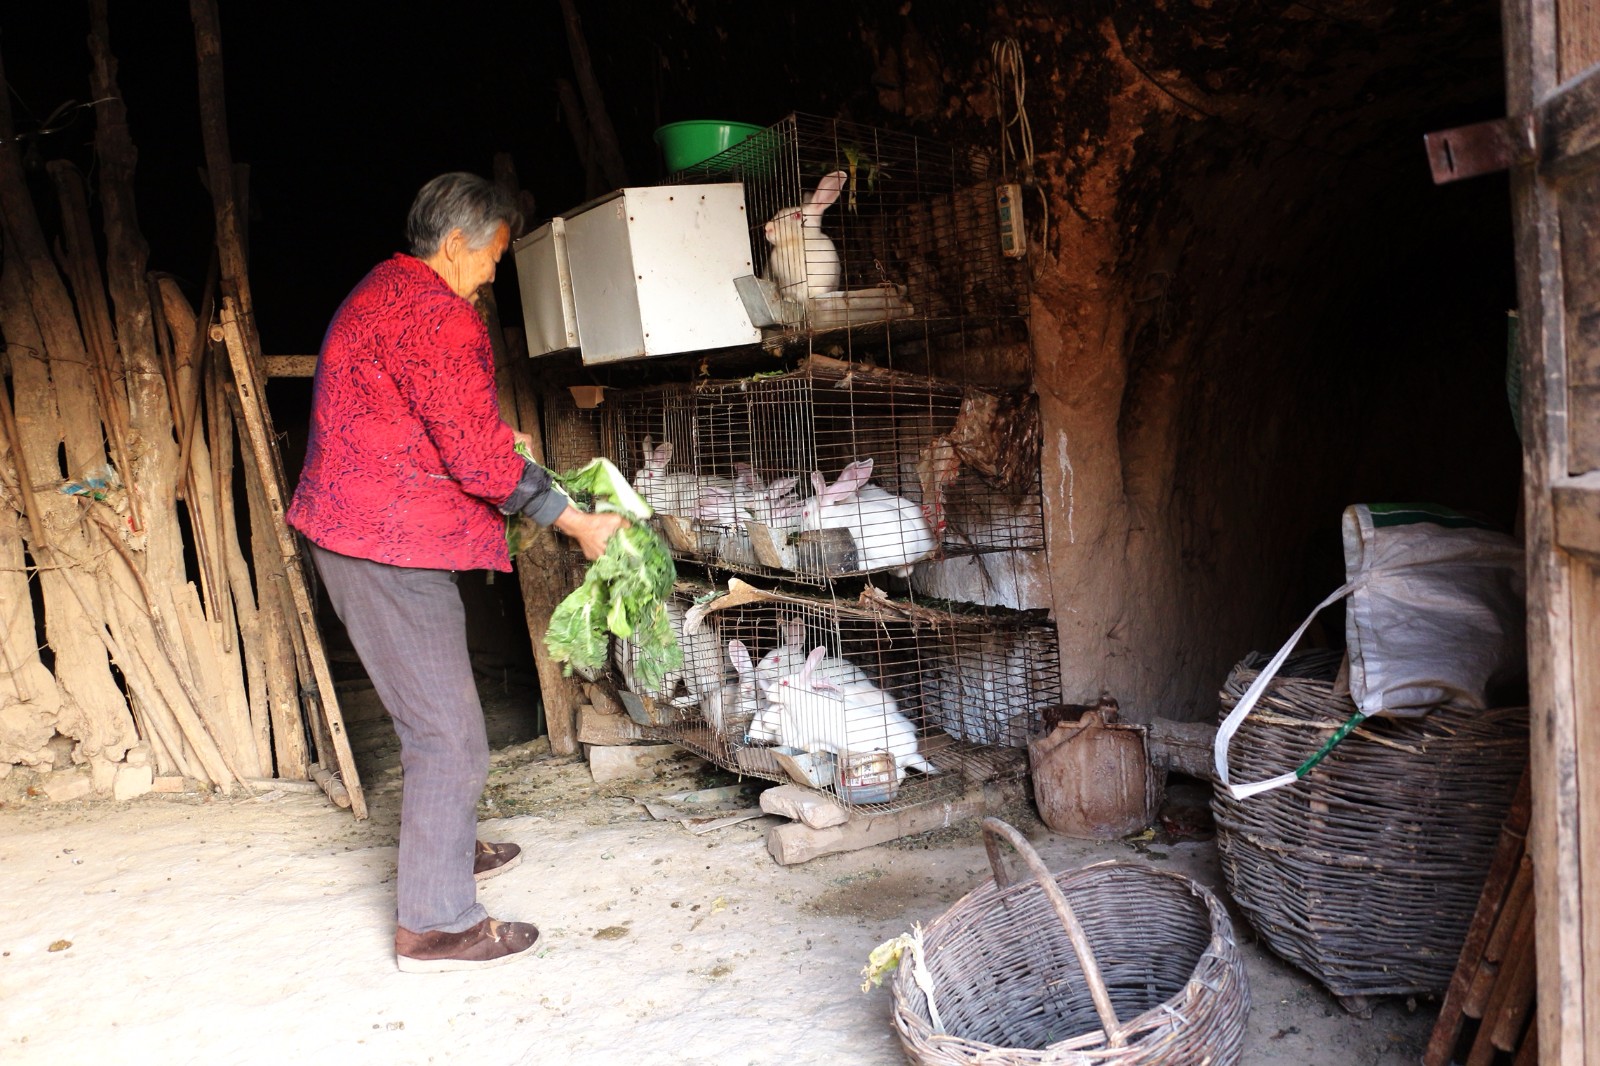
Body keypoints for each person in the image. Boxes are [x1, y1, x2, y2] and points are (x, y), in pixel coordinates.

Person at [288, 172, 623, 973]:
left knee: (433, 714)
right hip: (385, 546)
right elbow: (477, 460)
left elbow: (437, 417)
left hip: (358, 529)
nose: (495, 272)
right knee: (448, 736)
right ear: (453, 244)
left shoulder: (385, 287)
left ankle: (441, 852)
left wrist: (497, 445)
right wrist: (577, 522)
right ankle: (436, 926)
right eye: (494, 256)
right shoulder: (440, 314)